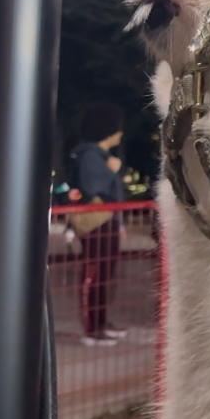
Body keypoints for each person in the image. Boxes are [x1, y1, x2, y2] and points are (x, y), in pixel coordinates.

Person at [67, 101, 129, 347]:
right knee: (95, 273)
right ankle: (92, 329)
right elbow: (93, 187)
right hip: (96, 223)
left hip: (108, 221)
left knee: (105, 274)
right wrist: (110, 171)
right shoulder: (90, 156)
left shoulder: (102, 156)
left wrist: (121, 225)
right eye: (117, 128)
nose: (121, 133)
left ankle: (102, 323)